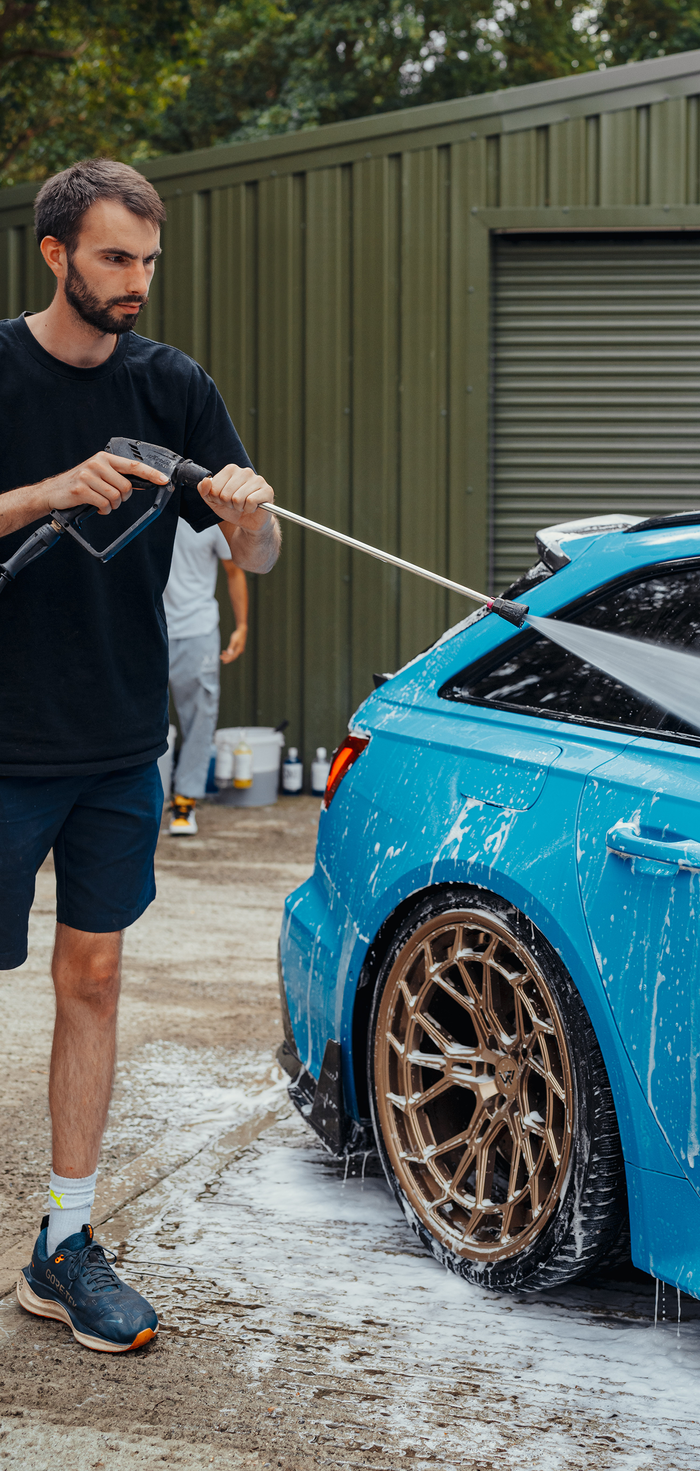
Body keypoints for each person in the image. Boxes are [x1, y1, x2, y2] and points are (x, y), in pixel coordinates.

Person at [0, 159, 281, 1353]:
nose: (137, 283)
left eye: (150, 261)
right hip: (2, 745)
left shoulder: (174, 386)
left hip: (119, 746)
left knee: (96, 981)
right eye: (116, 258)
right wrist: (48, 491)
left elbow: (257, 556)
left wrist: (253, 510)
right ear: (55, 252)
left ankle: (63, 1245)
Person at [163, 520, 249, 835]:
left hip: (198, 630)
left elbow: (234, 569)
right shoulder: (142, 507)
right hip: (149, 627)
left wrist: (241, 626)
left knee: (201, 714)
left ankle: (184, 801)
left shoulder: (210, 517)